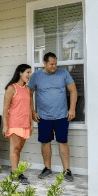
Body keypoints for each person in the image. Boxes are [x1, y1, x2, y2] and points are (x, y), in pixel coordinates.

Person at [28, 52, 77, 182]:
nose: (54, 66)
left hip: (61, 115)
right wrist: (32, 111)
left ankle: (67, 170)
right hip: (43, 116)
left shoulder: (63, 73)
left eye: (55, 64)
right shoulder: (37, 75)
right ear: (44, 63)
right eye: (51, 64)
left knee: (63, 142)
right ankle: (47, 168)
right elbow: (29, 93)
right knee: (45, 143)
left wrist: (72, 109)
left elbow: (73, 90)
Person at [2, 64, 33, 185]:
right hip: (14, 123)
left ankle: (15, 171)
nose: (29, 75)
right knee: (14, 149)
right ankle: (16, 174)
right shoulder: (11, 88)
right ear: (20, 73)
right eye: (28, 72)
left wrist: (31, 124)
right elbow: (5, 109)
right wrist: (5, 125)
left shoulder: (28, 90)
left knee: (19, 149)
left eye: (30, 73)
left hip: (25, 124)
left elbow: (30, 108)